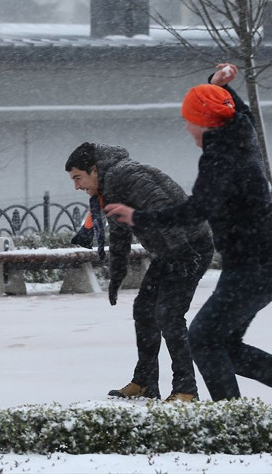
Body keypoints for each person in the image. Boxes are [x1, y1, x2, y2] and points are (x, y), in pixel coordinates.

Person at [105, 63, 272, 401]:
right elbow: (240, 111)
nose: (185, 126)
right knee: (224, 345)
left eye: (188, 119)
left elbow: (195, 211)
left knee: (204, 339)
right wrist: (218, 85)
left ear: (204, 123)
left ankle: (233, 417)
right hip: (260, 264)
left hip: (256, 267)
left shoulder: (221, 160)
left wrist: (138, 216)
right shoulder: (241, 135)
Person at [65, 142, 213, 402]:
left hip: (190, 246)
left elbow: (161, 207)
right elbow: (120, 235)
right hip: (170, 250)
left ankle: (186, 390)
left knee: (169, 314)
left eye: (78, 177)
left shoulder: (127, 175)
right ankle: (144, 382)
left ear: (95, 170)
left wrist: (183, 252)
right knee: (144, 310)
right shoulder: (108, 189)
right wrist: (117, 277)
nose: (77, 186)